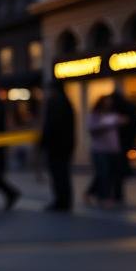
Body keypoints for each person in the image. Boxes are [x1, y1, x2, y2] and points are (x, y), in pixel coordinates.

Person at [40, 81, 75, 211]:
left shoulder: (55, 103)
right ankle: (64, 200)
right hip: (64, 145)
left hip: (57, 146)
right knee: (63, 173)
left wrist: (44, 142)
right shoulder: (65, 102)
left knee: (58, 174)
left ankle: (61, 201)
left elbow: (51, 126)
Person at [86, 95, 124, 208]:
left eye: (110, 102)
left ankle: (90, 192)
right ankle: (104, 197)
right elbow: (92, 129)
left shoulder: (113, 115)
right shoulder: (94, 116)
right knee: (103, 173)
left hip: (112, 149)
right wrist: (107, 125)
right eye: (106, 102)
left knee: (108, 174)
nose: (108, 104)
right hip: (99, 149)